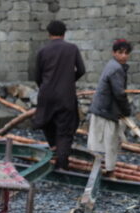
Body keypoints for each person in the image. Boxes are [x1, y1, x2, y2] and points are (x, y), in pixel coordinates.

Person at [34, 20, 85, 170]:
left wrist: (45, 87)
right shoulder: (72, 49)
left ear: (48, 33)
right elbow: (81, 70)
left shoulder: (42, 51)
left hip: (46, 94)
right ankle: (62, 164)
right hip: (65, 95)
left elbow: (37, 75)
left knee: (46, 122)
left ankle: (54, 148)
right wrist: (68, 81)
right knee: (64, 129)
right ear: (64, 33)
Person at [87, 39, 133, 177]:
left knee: (103, 143)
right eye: (120, 53)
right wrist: (126, 111)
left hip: (105, 110)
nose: (124, 56)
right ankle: (106, 171)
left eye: (126, 53)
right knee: (107, 144)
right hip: (105, 111)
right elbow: (119, 93)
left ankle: (102, 170)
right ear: (114, 53)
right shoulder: (116, 68)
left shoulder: (114, 66)